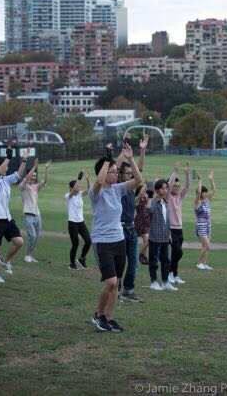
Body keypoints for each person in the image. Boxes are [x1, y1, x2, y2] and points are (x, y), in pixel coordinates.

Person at [88, 143, 142, 333]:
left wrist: (130, 158)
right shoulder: (95, 193)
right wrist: (108, 157)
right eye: (112, 171)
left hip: (119, 240)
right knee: (110, 282)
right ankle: (98, 315)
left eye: (116, 171)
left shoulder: (118, 189)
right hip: (102, 242)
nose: (116, 173)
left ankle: (109, 318)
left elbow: (138, 179)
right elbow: (99, 180)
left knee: (116, 284)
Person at [0, 147, 29, 283]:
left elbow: (18, 174)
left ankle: (6, 260)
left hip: (7, 218)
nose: (7, 167)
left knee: (19, 242)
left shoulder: (6, 180)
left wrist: (24, 159)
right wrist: (8, 158)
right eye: (5, 165)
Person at [118, 136, 148, 303]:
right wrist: (123, 153)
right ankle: (117, 290)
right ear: (121, 175)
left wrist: (142, 150)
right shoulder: (118, 188)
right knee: (120, 263)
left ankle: (128, 291)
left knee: (134, 263)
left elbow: (140, 170)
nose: (131, 176)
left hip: (131, 229)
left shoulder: (131, 188)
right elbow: (116, 166)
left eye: (132, 174)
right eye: (127, 173)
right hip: (119, 229)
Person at [20, 159, 50, 263]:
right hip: (28, 215)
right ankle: (27, 255)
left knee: (36, 236)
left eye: (34, 176)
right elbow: (27, 177)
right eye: (31, 176)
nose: (33, 177)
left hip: (37, 214)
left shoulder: (35, 187)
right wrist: (34, 167)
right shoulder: (23, 186)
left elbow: (45, 181)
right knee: (31, 235)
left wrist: (46, 169)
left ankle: (30, 255)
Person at [166, 162, 191, 286]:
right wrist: (175, 171)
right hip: (170, 229)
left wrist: (187, 174)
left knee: (177, 252)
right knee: (177, 252)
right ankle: (170, 272)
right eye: (175, 186)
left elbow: (187, 187)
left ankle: (174, 274)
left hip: (179, 228)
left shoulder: (179, 197)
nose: (176, 187)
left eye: (178, 186)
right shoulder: (168, 197)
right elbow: (168, 185)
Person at [148, 179, 174, 290]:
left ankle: (165, 281)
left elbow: (167, 220)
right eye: (163, 188)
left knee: (165, 260)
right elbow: (149, 210)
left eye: (166, 188)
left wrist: (169, 234)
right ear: (157, 190)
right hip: (155, 236)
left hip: (164, 236)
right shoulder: (153, 202)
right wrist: (154, 197)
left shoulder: (165, 203)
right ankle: (153, 281)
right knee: (153, 261)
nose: (165, 190)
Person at [67, 170, 91, 270]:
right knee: (75, 243)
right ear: (72, 188)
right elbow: (72, 192)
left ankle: (82, 259)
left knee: (88, 241)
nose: (79, 187)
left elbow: (89, 189)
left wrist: (88, 180)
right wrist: (78, 179)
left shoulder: (80, 194)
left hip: (81, 222)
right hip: (72, 223)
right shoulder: (68, 196)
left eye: (79, 185)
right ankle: (72, 264)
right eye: (77, 186)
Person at [194, 171, 216, 270]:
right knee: (207, 246)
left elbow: (214, 190)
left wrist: (211, 179)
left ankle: (204, 263)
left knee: (205, 246)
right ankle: (198, 263)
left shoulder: (206, 200)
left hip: (208, 225)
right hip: (201, 226)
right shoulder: (197, 202)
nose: (206, 193)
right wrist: (200, 180)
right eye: (204, 192)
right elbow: (198, 192)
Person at [134, 185, 153, 264]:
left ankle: (143, 257)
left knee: (147, 240)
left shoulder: (146, 198)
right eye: (143, 189)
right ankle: (141, 255)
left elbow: (149, 207)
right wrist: (140, 195)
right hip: (139, 221)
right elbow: (135, 203)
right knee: (147, 240)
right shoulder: (136, 198)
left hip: (146, 221)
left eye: (145, 189)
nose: (144, 191)